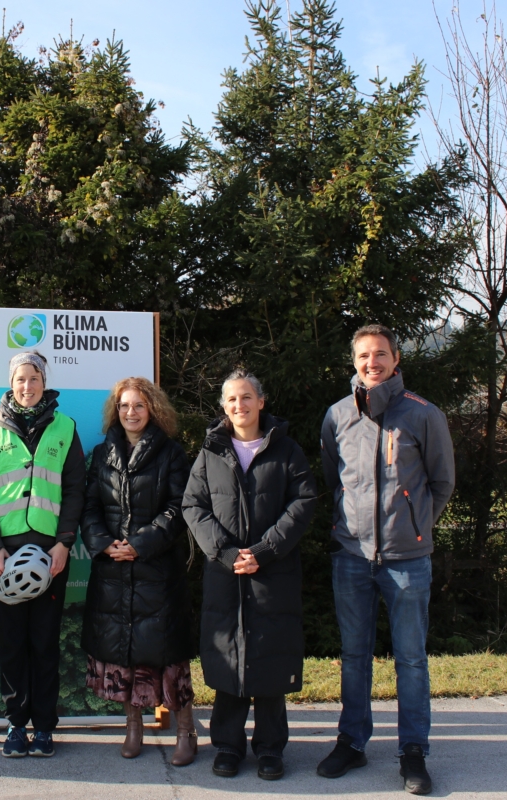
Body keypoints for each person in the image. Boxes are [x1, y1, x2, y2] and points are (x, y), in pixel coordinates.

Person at [317, 324, 455, 796]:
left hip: (406, 560)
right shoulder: (336, 416)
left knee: (411, 660)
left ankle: (412, 752)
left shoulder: (423, 415)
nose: (371, 362)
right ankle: (352, 743)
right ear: (353, 361)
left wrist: (416, 526)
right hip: (352, 556)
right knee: (354, 657)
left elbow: (442, 483)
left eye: (380, 354)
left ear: (396, 359)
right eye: (363, 355)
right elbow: (333, 481)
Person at [182, 369, 316, 781]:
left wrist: (264, 551)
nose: (239, 405)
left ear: (261, 401)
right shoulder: (210, 453)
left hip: (272, 574)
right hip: (225, 575)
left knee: (271, 662)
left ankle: (271, 750)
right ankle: (227, 747)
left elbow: (303, 502)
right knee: (228, 659)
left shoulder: (287, 450)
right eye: (231, 400)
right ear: (223, 407)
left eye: (246, 398)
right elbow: (193, 506)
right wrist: (224, 552)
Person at [0, 350, 86, 758]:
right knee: (13, 644)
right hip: (5, 553)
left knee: (44, 644)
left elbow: (75, 491)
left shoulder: (65, 427)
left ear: (44, 381)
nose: (27, 386)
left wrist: (64, 543)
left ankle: (45, 728)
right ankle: (16, 725)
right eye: (20, 379)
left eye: (34, 378)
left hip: (50, 554)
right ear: (11, 383)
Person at [81, 377, 196, 765]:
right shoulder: (101, 454)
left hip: (156, 571)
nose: (131, 412)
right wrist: (104, 542)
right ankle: (134, 729)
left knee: (167, 654)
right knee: (124, 654)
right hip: (114, 570)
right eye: (125, 406)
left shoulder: (171, 453)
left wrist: (141, 544)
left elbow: (180, 508)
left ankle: (185, 731)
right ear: (117, 410)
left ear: (153, 410)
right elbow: (90, 506)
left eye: (139, 406)